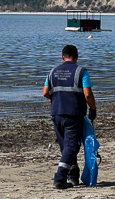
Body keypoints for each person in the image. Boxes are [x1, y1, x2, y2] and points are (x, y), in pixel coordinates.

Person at [41, 43, 96, 190]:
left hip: (57, 113)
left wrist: (58, 99)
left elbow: (45, 92)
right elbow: (88, 94)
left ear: (62, 57)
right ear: (76, 57)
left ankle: (73, 175)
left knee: (66, 146)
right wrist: (93, 108)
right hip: (74, 114)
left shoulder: (52, 72)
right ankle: (60, 177)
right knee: (71, 146)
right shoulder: (81, 72)